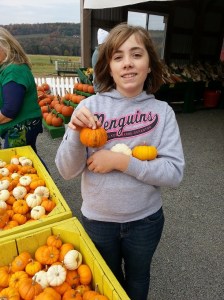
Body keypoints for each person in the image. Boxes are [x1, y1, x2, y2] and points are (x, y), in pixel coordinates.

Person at [55, 23, 185, 300]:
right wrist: (74, 133)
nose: (127, 63)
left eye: (137, 55)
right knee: (106, 282)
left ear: (149, 64)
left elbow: (174, 173)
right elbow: (67, 171)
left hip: (145, 221)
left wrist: (121, 162)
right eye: (118, 57)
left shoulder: (162, 113)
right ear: (108, 67)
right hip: (98, 221)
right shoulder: (89, 108)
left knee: (138, 278)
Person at [0, 27, 43, 153]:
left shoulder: (14, 70)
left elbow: (10, 110)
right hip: (21, 126)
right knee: (28, 159)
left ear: (5, 46)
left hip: (20, 128)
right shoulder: (6, 68)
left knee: (16, 161)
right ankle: (45, 174)